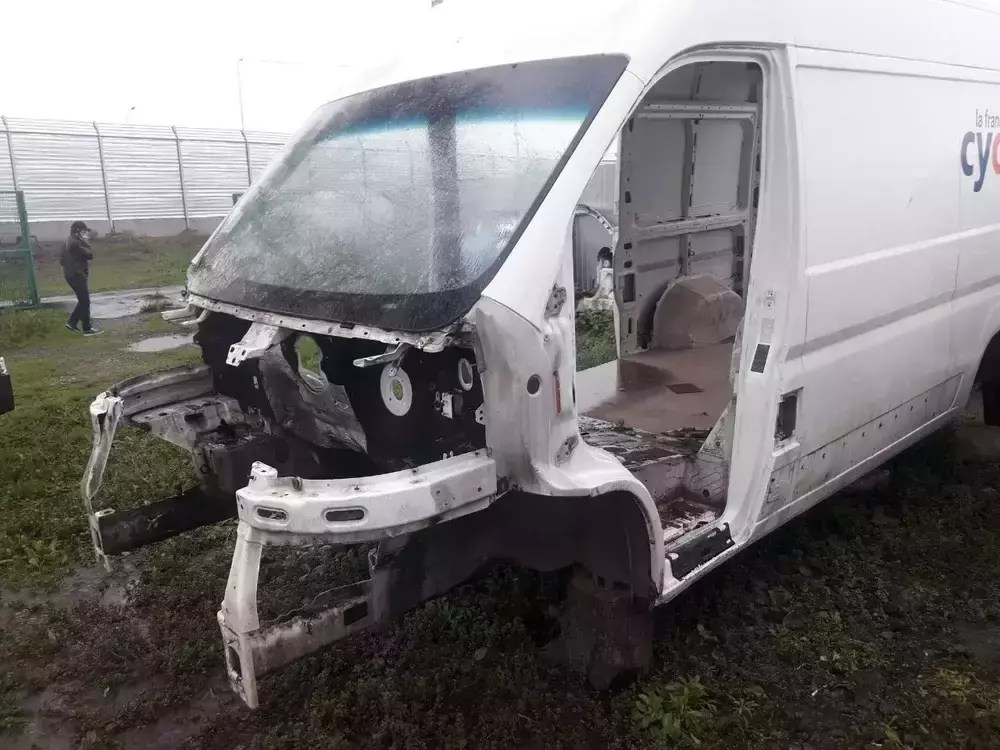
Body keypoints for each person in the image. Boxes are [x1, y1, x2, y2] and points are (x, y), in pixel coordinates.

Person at [60, 221, 102, 335]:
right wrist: (86, 242)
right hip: (77, 274)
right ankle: (76, 324)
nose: (85, 234)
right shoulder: (77, 243)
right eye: (83, 232)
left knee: (83, 301)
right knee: (84, 301)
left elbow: (61, 260)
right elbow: (89, 255)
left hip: (70, 274)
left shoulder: (67, 241)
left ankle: (83, 326)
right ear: (77, 232)